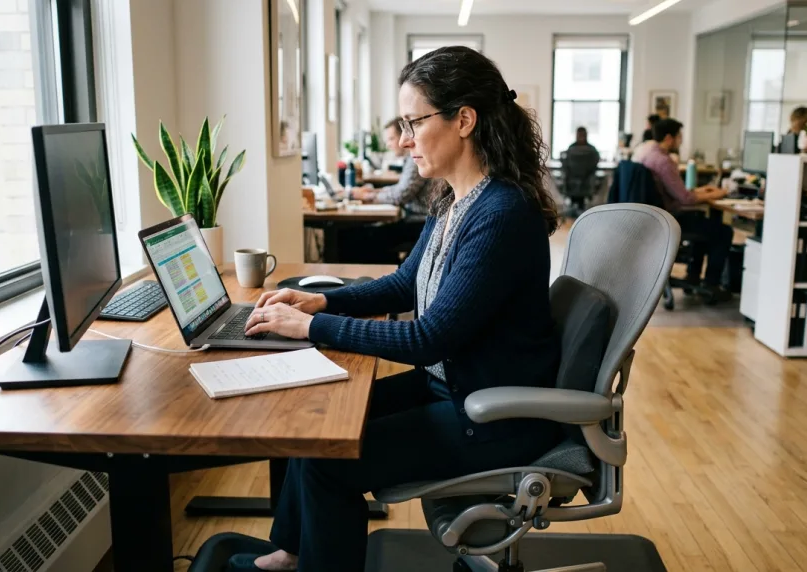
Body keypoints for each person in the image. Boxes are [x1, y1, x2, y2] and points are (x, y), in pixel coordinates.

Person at [232, 46, 564, 572]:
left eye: (414, 122)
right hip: (455, 389)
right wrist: (321, 299)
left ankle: (303, 560)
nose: (404, 139)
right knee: (316, 426)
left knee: (328, 464)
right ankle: (292, 554)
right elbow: (408, 283)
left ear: (464, 120)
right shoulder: (455, 199)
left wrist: (312, 326)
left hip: (494, 416)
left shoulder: (501, 213)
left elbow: (428, 338)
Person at [635, 118, 732, 303]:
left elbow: (678, 192)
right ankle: (711, 284)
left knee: (704, 223)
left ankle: (693, 277)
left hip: (654, 218)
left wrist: (703, 192)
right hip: (670, 220)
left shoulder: (645, 153)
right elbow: (685, 198)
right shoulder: (664, 160)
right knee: (723, 231)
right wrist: (717, 194)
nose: (681, 140)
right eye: (680, 136)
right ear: (669, 138)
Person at [352, 117, 433, 215]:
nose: (388, 145)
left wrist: (368, 196)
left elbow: (402, 194)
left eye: (391, 139)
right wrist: (374, 191)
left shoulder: (415, 159)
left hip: (417, 219)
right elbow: (400, 188)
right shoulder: (410, 159)